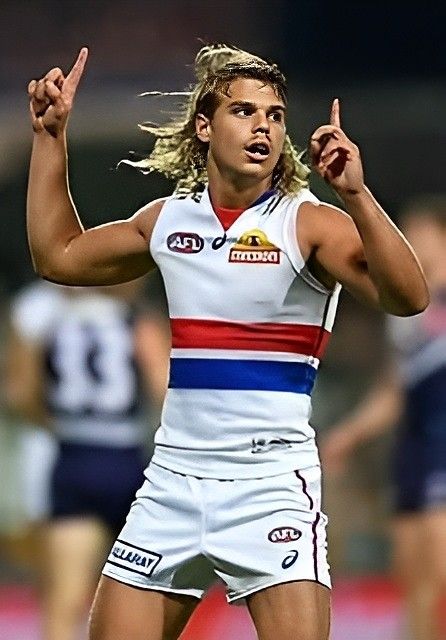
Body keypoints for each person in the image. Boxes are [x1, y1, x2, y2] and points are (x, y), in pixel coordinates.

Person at [26, 43, 429, 640]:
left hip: (269, 484)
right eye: (244, 111)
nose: (263, 125)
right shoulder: (168, 219)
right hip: (173, 480)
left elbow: (409, 297)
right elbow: (57, 255)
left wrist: (357, 196)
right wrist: (50, 137)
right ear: (204, 126)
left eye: (274, 115)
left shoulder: (308, 221)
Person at [5, 278, 169, 640]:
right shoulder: (137, 321)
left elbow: (21, 393)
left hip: (73, 458)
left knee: (64, 599)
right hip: (128, 460)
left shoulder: (51, 322)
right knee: (147, 593)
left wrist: (55, 424)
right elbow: (164, 389)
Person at [321, 195, 446, 640]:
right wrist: (350, 433)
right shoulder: (409, 312)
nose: (412, 244)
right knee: (414, 580)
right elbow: (395, 389)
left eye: (420, 235)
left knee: (439, 574)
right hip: (413, 450)